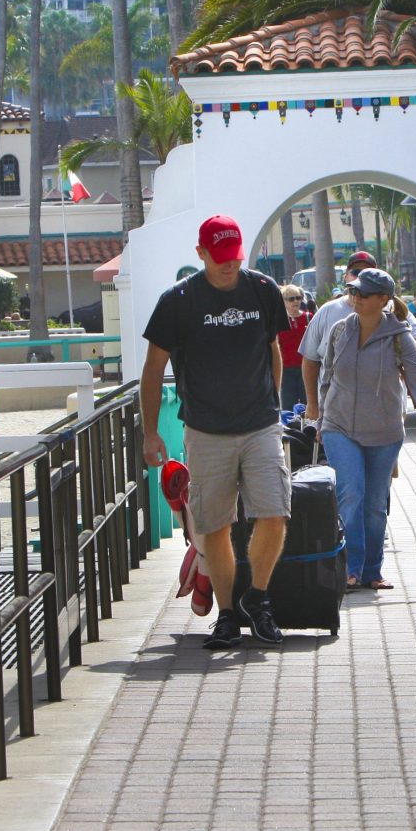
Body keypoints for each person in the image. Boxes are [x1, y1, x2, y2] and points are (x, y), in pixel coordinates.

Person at [141, 215, 291, 650]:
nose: (228, 266)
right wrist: (151, 433)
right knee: (215, 525)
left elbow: (273, 351)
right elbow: (153, 371)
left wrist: (273, 404)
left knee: (274, 511)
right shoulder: (178, 301)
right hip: (206, 431)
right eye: (220, 258)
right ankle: (226, 614)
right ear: (201, 254)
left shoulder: (262, 290)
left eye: (235, 257)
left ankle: (258, 600)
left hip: (260, 424)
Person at [317, 268, 416, 590]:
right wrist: (320, 419)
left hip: (384, 432)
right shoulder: (340, 330)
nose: (355, 297)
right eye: (353, 291)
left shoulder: (399, 337)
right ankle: (351, 568)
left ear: (383, 300)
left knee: (374, 504)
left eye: (363, 293)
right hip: (338, 425)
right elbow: (326, 376)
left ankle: (372, 571)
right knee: (351, 493)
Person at [299, 251, 416, 412]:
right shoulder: (327, 312)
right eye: (356, 272)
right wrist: (312, 404)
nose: (361, 278)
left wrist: (399, 361)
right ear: (346, 277)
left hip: (385, 413)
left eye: (368, 273)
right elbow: (310, 360)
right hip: (337, 413)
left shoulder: (395, 310)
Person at [276, 283, 312, 410]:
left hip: (306, 368)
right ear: (283, 301)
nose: (296, 301)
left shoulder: (309, 318)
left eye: (298, 297)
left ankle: (308, 430)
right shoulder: (278, 320)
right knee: (288, 408)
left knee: (308, 407)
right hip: (286, 371)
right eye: (291, 299)